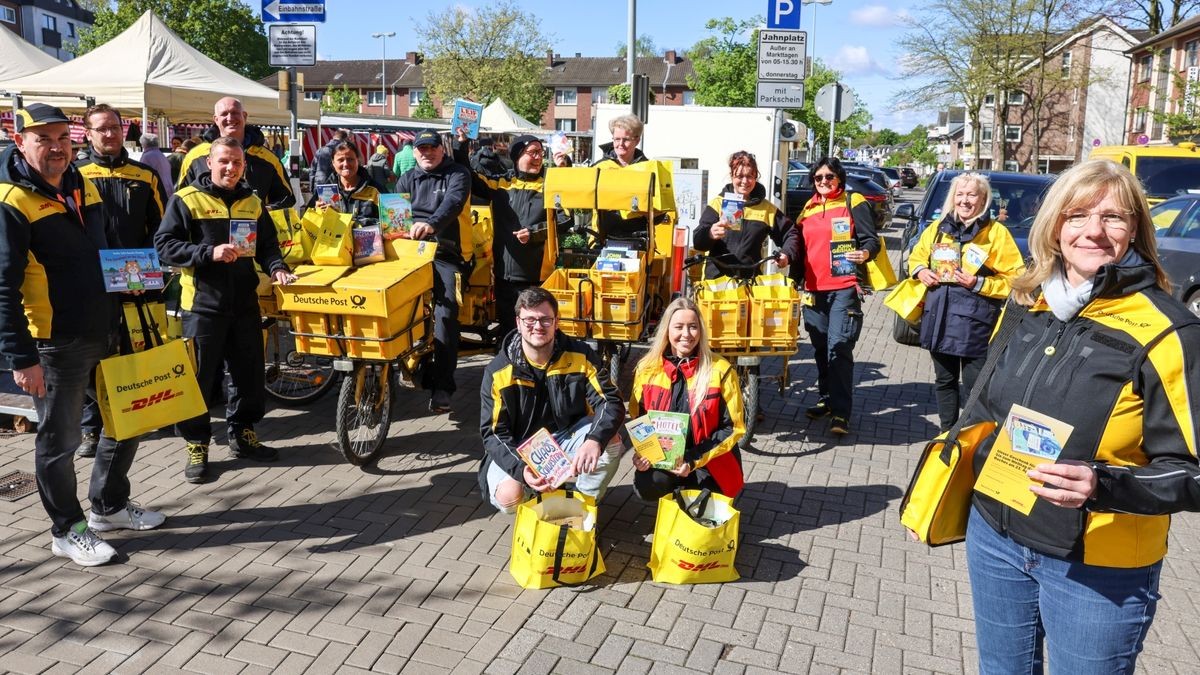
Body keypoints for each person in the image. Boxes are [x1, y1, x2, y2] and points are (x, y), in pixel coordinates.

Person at [960, 159, 1200, 673]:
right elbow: (983, 404)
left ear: (1135, 228)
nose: (1094, 230)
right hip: (996, 538)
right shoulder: (1029, 301)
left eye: (1113, 217)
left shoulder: (1170, 331)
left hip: (1098, 571)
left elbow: (1193, 472)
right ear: (1055, 225)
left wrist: (1102, 484)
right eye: (1078, 215)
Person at [0, 103, 166, 567]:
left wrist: (138, 282)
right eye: (42, 139)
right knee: (60, 442)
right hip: (54, 344)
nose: (55, 147)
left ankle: (108, 507)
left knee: (126, 420)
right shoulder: (12, 201)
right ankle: (67, 530)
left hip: (104, 329)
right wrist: (20, 358)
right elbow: (1, 286)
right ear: (21, 143)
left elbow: (108, 252)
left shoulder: (83, 185)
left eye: (60, 138)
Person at [155, 137, 295, 484]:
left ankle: (243, 434)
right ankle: (197, 445)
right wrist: (208, 253)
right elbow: (165, 246)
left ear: (243, 166)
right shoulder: (186, 199)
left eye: (236, 163)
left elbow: (267, 245)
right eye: (224, 162)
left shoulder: (252, 201)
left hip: (245, 304)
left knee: (248, 375)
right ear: (209, 163)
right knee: (201, 379)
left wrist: (276, 267)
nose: (230, 168)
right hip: (202, 306)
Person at [74, 104, 169, 459]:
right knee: (92, 356)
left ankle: (135, 413)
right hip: (91, 283)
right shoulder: (75, 174)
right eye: (102, 129)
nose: (110, 134)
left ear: (123, 129)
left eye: (114, 127)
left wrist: (145, 270)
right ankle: (90, 426)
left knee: (134, 349)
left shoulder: (145, 175)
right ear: (88, 134)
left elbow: (162, 229)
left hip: (136, 281)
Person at [478, 287, 626, 513]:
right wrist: (522, 470)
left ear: (556, 321)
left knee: (611, 440)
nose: (538, 326)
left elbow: (610, 402)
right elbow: (494, 432)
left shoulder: (580, 355)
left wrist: (594, 439)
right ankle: (536, 503)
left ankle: (581, 506)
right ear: (518, 323)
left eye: (546, 320)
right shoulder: (498, 371)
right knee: (509, 498)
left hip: (565, 436)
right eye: (530, 320)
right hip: (519, 446)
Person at [908, 173, 1024, 431]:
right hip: (939, 318)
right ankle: (947, 434)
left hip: (975, 324)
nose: (965, 200)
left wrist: (979, 283)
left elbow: (1016, 280)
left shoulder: (995, 233)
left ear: (983, 199)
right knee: (944, 381)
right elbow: (916, 257)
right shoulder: (938, 228)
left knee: (975, 387)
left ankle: (971, 437)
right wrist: (920, 271)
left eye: (972, 195)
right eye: (960, 194)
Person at [453, 131, 571, 335]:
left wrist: (534, 233)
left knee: (533, 328)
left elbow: (565, 218)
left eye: (540, 153)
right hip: (504, 274)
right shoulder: (501, 183)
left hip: (536, 274)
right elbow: (468, 177)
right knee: (508, 328)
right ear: (518, 156)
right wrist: (461, 145)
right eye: (532, 152)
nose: (538, 157)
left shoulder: (550, 184)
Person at [629, 297, 746, 501]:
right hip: (665, 457)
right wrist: (643, 453)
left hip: (707, 460)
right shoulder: (646, 368)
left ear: (700, 331)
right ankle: (673, 490)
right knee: (647, 485)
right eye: (679, 327)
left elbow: (733, 428)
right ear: (667, 330)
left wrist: (692, 460)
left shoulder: (721, 370)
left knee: (704, 506)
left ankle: (689, 488)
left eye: (693, 327)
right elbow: (639, 419)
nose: (686, 334)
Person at [794, 157, 879, 435]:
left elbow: (871, 240)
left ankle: (841, 413)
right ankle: (827, 399)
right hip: (813, 290)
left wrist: (864, 253)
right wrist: (792, 279)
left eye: (829, 177)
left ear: (839, 178)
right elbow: (798, 248)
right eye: (818, 178)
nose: (824, 182)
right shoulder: (807, 208)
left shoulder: (853, 201)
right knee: (820, 347)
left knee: (838, 347)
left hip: (844, 285)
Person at [393, 129, 472, 413]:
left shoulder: (458, 174)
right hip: (409, 251)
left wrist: (432, 225)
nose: (427, 153)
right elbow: (394, 213)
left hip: (445, 253)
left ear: (442, 149)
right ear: (413, 152)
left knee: (446, 313)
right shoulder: (406, 178)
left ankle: (443, 386)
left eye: (432, 148)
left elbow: (453, 204)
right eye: (421, 149)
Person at [693, 150, 800, 279]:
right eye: (739, 176)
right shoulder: (717, 204)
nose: (744, 181)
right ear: (732, 176)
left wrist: (786, 254)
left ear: (756, 177)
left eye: (750, 176)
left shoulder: (766, 208)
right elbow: (698, 241)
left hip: (749, 283)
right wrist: (709, 233)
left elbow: (791, 233)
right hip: (717, 284)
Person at [177, 97, 295, 210]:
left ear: (244, 116)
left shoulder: (268, 159)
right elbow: (181, 198)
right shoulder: (195, 157)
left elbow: (287, 198)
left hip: (253, 228)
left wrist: (263, 211)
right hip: (208, 228)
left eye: (235, 113)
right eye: (224, 114)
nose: (230, 118)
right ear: (216, 119)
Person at [591, 114, 656, 244]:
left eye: (626, 139)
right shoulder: (599, 167)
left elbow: (659, 214)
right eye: (616, 139)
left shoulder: (648, 169)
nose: (620, 144)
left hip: (638, 240)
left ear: (637, 140)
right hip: (603, 240)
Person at [304, 141, 380, 221]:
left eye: (350, 159)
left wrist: (348, 221)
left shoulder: (375, 190)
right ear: (333, 163)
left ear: (357, 160)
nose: (346, 164)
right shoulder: (324, 191)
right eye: (340, 160)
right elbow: (307, 221)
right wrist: (316, 212)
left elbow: (389, 224)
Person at [138, 133, 174, 199]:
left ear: (144, 144)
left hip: (157, 191)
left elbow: (141, 173)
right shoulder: (161, 155)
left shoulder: (147, 156)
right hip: (169, 190)